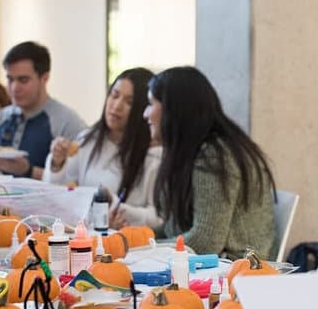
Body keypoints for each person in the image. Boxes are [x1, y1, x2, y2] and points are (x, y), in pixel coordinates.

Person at [146, 66, 277, 258]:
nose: (145, 114)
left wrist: (145, 250)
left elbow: (206, 242)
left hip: (235, 271)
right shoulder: (192, 151)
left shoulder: (216, 155)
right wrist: (138, 241)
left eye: (151, 104)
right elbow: (173, 229)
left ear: (173, 109)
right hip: (212, 269)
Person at [44, 68, 162, 229]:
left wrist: (115, 206)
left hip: (134, 243)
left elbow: (159, 217)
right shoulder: (87, 140)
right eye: (114, 95)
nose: (117, 105)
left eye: (129, 102)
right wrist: (57, 163)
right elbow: (58, 196)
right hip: (85, 236)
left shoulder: (153, 155)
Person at [0, 41, 86, 179]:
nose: (14, 88)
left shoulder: (67, 123)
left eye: (23, 80)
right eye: (10, 79)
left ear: (45, 78)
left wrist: (28, 170)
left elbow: (75, 182)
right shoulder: (2, 117)